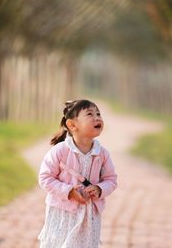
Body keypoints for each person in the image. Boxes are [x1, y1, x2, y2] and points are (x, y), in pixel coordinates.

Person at [38, 99, 118, 248]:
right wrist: (68, 192)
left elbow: (111, 180)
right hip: (63, 213)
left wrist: (100, 189)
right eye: (90, 114)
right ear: (72, 125)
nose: (97, 118)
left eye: (98, 114)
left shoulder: (102, 154)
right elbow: (45, 178)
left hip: (89, 217)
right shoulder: (60, 151)